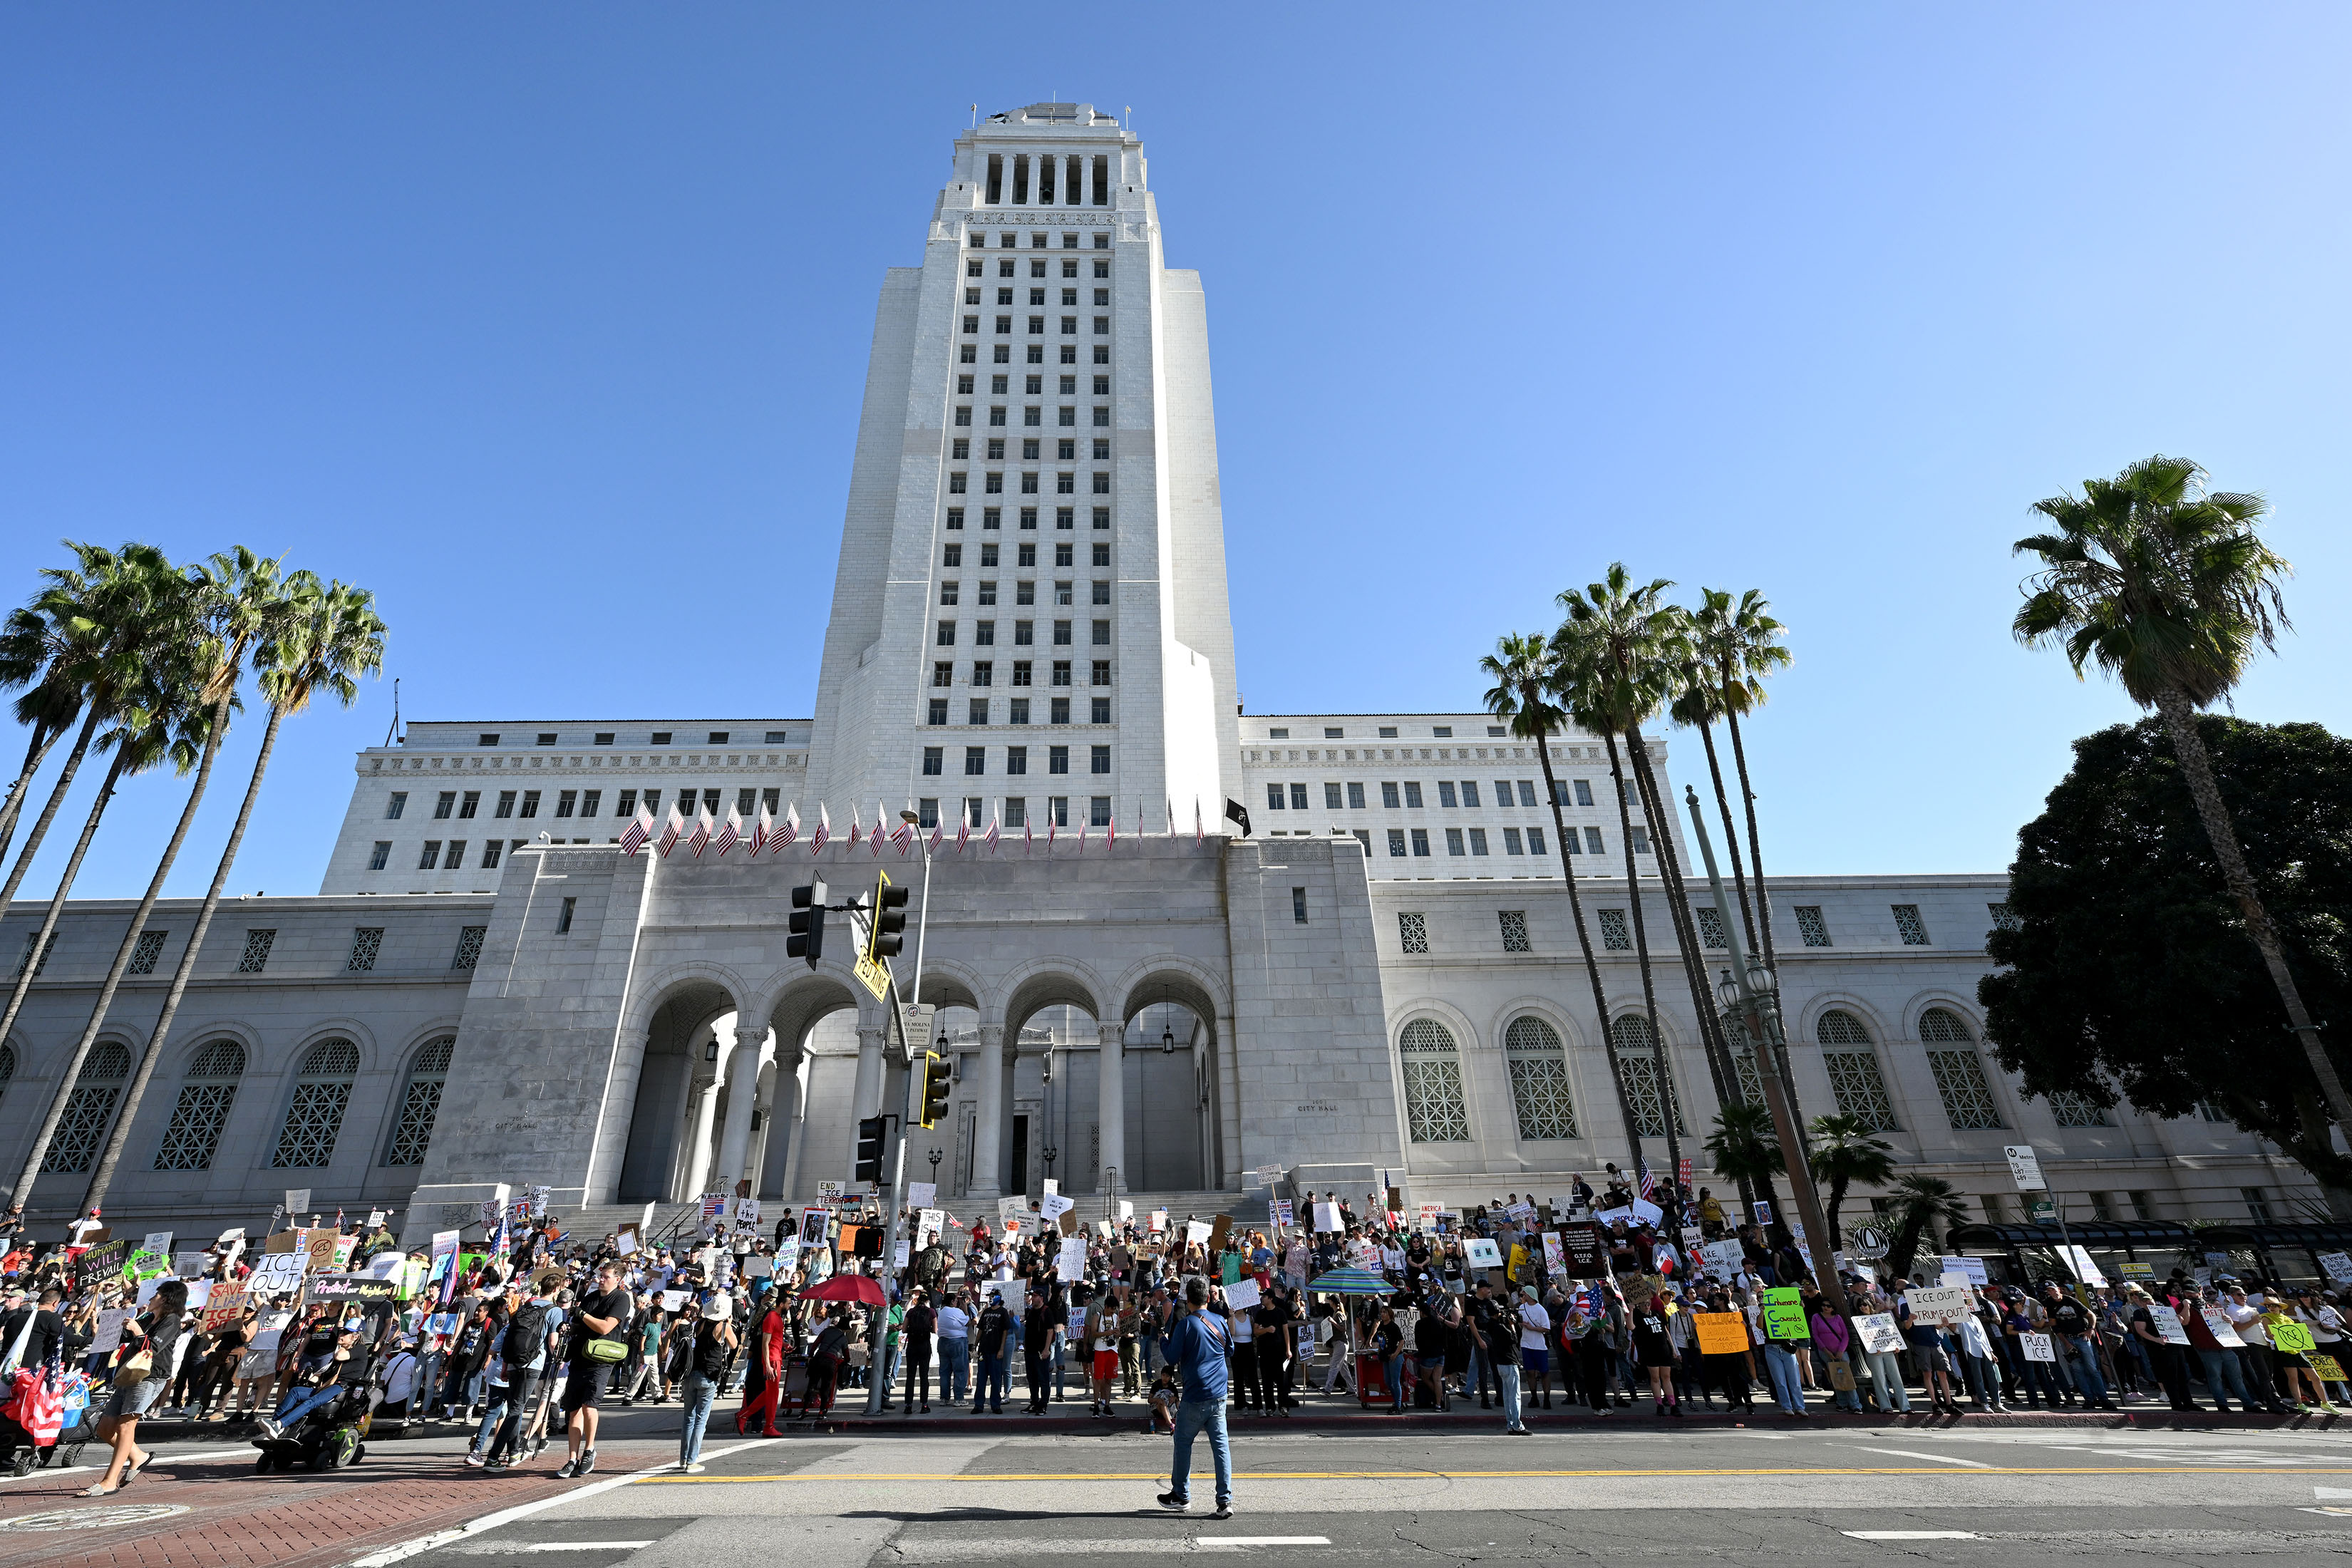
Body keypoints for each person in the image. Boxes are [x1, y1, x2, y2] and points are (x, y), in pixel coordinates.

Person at [84, 1279, 187, 1496]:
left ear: (167, 1299)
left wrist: (138, 1331)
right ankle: (138, 1456)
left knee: (125, 1427)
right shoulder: (149, 1317)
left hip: (149, 1377)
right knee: (104, 1429)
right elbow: (123, 1337)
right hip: (128, 1374)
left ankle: (110, 1481)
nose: (150, 1298)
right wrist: (115, 1321)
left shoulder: (172, 1321)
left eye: (156, 1295)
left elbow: (154, 1348)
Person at [1155, 1276, 1234, 1520]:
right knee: (1221, 1447)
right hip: (1219, 1393)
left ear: (1188, 1300)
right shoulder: (1220, 1321)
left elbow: (1172, 1357)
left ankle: (1181, 1494)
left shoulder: (1186, 1325)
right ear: (1208, 1299)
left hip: (1196, 1393)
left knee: (1183, 1440)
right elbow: (1230, 1349)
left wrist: (1162, 1339)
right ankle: (1225, 1501)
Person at [555, 1262, 632, 1479]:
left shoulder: (620, 1298)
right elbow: (582, 1325)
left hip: (601, 1357)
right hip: (580, 1355)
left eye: (606, 1276)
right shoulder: (590, 1298)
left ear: (617, 1279)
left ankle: (589, 1449)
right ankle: (572, 1458)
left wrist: (582, 1315)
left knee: (590, 1405)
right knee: (573, 1411)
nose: (601, 1279)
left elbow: (605, 1327)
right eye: (600, 1275)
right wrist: (569, 1326)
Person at [675, 1297, 735, 1472]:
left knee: (688, 1419)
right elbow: (734, 1344)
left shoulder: (700, 1323)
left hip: (691, 1372)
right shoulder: (723, 1327)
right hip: (709, 1375)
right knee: (701, 1420)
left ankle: (683, 1458)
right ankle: (692, 1461)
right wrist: (728, 1324)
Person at [901, 1289, 935, 1415]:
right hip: (925, 1345)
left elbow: (904, 1330)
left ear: (917, 1300)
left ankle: (908, 1405)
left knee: (910, 1376)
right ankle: (924, 1405)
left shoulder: (910, 1312)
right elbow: (935, 1330)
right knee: (924, 1376)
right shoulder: (931, 1312)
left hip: (912, 1346)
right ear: (927, 1301)